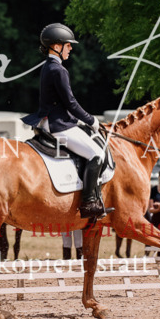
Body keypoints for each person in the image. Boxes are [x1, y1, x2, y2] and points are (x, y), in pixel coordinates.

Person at [22, 23, 110, 219]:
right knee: (97, 154)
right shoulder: (58, 70)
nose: (71, 48)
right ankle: (89, 202)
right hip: (58, 125)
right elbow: (71, 103)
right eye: (67, 45)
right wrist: (91, 121)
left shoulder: (48, 67)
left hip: (52, 121)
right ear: (56, 46)